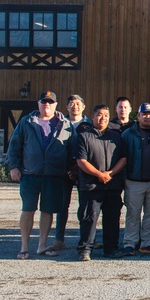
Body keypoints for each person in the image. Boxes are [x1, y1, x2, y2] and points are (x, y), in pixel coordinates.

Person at [7, 91, 75, 259]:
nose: (47, 105)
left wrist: (71, 169)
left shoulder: (65, 125)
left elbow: (72, 150)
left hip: (54, 176)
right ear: (38, 104)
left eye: (50, 102)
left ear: (56, 105)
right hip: (30, 174)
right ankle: (24, 247)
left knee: (47, 211)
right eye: (44, 102)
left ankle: (42, 246)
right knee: (28, 209)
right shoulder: (26, 122)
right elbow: (14, 145)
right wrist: (14, 167)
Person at [75, 104, 127, 261]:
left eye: (105, 115)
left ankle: (110, 249)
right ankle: (85, 249)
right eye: (99, 115)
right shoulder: (84, 136)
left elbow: (123, 158)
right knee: (89, 218)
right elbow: (81, 161)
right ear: (92, 117)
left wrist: (110, 174)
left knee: (112, 217)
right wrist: (99, 174)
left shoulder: (116, 136)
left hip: (112, 184)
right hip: (91, 185)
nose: (102, 118)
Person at [121, 103, 150, 255]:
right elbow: (122, 158)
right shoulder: (127, 134)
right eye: (144, 114)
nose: (148, 117)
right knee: (133, 214)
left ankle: (147, 242)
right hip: (134, 182)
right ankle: (130, 243)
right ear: (138, 116)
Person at [50, 94, 89, 252]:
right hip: (63, 170)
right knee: (62, 206)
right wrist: (67, 169)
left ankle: (84, 239)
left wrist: (79, 168)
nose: (75, 106)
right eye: (72, 104)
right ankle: (59, 239)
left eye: (78, 103)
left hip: (83, 170)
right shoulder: (60, 124)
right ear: (66, 107)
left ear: (83, 107)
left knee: (84, 207)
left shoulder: (89, 125)